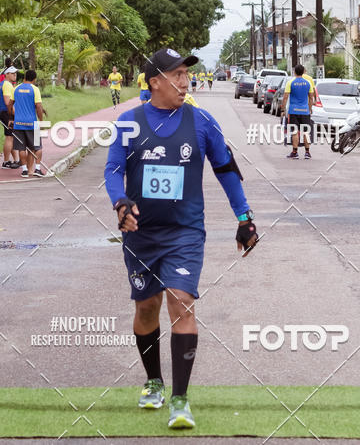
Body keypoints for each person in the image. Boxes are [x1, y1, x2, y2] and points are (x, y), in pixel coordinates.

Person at [104, 47, 258, 431]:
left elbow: (226, 170)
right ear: (154, 81)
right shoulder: (129, 122)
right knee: (146, 307)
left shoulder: (203, 121)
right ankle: (154, 381)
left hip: (185, 232)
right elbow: (112, 170)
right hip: (140, 233)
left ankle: (180, 399)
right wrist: (120, 203)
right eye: (176, 75)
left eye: (187, 74)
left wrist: (245, 219)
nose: (185, 81)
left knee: (182, 302)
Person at [10, 69, 45, 177]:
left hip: (18, 123)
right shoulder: (35, 89)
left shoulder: (16, 89)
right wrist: (41, 120)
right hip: (32, 123)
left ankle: (25, 170)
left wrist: (12, 116)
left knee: (21, 148)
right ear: (34, 79)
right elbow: (38, 106)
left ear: (25, 77)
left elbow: (10, 104)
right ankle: (37, 169)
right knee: (37, 146)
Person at [281, 64, 314, 159]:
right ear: (303, 72)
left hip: (293, 111)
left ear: (294, 72)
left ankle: (295, 152)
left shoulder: (290, 82)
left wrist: (283, 109)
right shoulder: (308, 83)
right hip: (305, 111)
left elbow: (285, 97)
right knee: (306, 132)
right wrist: (309, 108)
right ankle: (307, 153)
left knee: (295, 132)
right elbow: (311, 97)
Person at [0, 66, 21, 169]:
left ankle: (16, 160)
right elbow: (8, 103)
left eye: (15, 73)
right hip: (8, 114)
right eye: (12, 73)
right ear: (6, 74)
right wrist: (15, 115)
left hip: (4, 112)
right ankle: (6, 162)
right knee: (9, 137)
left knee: (11, 137)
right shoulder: (7, 85)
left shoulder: (1, 84)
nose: (14, 75)